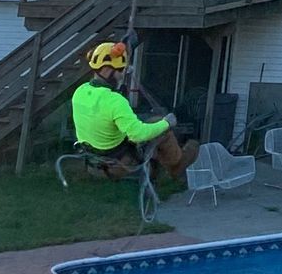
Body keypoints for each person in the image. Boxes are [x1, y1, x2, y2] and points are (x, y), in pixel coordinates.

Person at [70, 41, 196, 185]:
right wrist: (167, 123)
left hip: (93, 161)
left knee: (152, 122)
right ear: (106, 70)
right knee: (162, 129)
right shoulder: (114, 101)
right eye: (121, 71)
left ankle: (156, 172)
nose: (122, 75)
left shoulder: (80, 92)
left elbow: (102, 112)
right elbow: (138, 135)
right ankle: (176, 167)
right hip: (118, 164)